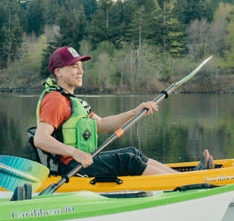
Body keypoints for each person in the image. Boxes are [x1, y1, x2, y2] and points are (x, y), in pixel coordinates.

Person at [33, 44, 202, 181]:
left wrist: (134, 112)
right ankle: (184, 182)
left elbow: (102, 124)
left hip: (81, 161)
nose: (81, 71)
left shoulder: (73, 101)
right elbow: (40, 138)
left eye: (81, 67)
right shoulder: (55, 100)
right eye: (74, 67)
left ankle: (183, 177)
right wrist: (75, 152)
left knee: (132, 152)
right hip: (70, 168)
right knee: (128, 160)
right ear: (58, 72)